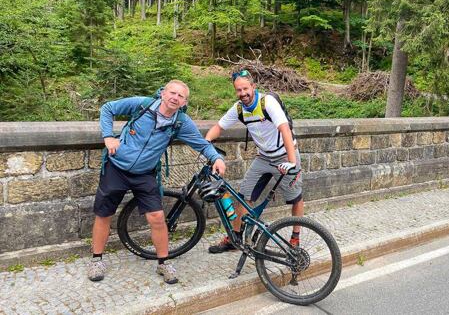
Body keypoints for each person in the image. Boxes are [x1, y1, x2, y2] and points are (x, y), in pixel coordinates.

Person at [88, 80, 226, 284]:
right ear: (162, 93)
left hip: (145, 173)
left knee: (157, 217)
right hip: (116, 167)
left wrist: (217, 158)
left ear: (184, 101)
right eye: (172, 92)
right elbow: (108, 108)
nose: (174, 97)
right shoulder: (142, 105)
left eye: (180, 96)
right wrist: (108, 136)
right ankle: (96, 260)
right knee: (104, 213)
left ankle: (163, 263)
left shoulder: (181, 122)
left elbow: (201, 143)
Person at [205, 70, 303, 254]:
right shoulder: (239, 108)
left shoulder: (267, 102)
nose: (243, 93)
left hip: (284, 156)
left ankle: (295, 237)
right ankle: (234, 238)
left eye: (245, 88)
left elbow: (285, 130)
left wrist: (291, 162)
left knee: (295, 198)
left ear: (253, 87)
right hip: (263, 157)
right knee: (244, 196)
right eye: (238, 90)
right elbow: (218, 127)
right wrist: (206, 145)